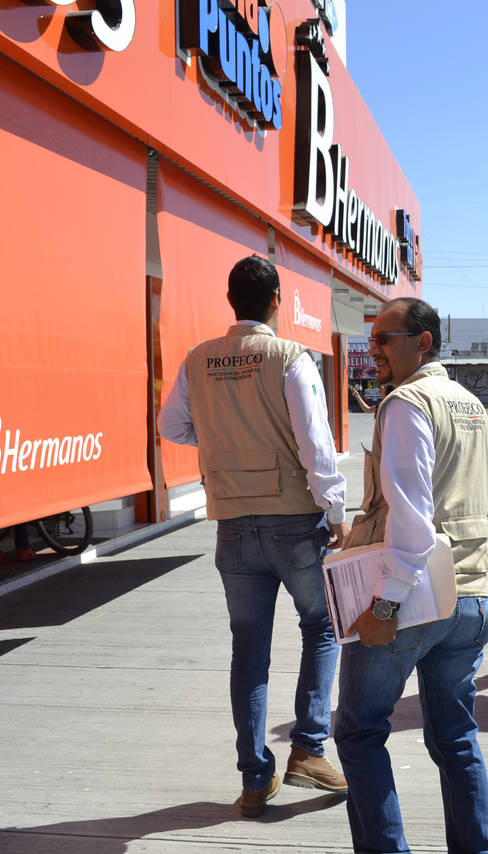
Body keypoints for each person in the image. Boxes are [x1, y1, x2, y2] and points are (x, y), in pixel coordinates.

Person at [157, 254, 350, 818]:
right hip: (294, 521)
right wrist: (334, 508)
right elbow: (315, 443)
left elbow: (171, 426)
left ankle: (253, 776)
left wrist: (219, 440)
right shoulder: (292, 357)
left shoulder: (198, 359)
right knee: (321, 627)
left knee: (249, 650)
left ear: (230, 301)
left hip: (233, 526)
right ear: (276, 302)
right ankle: (309, 750)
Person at [334, 297, 488, 854]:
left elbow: (412, 520)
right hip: (469, 596)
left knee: (359, 733)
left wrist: (384, 609)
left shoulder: (406, 403)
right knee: (456, 739)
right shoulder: (470, 403)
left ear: (423, 341)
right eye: (372, 338)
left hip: (412, 601)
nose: (373, 348)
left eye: (385, 338)